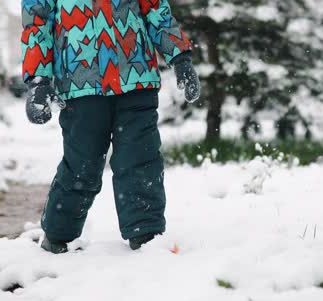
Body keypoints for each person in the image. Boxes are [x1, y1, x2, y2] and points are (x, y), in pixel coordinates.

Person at [21, 0, 200, 253]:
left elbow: (156, 10)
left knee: (140, 158)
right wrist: (38, 80)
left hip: (135, 76)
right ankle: (59, 233)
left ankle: (146, 234)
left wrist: (180, 57)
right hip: (80, 84)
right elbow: (37, 21)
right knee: (82, 163)